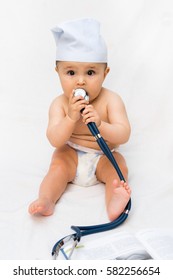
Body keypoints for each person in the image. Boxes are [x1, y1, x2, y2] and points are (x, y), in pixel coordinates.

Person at [28, 18, 131, 221]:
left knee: (118, 169)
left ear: (105, 73)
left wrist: (101, 125)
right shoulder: (59, 104)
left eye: (91, 72)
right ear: (58, 73)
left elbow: (124, 134)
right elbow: (55, 140)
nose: (81, 80)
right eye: (71, 72)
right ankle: (46, 199)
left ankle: (114, 202)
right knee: (58, 165)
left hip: (104, 155)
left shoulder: (111, 100)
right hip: (71, 154)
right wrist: (70, 118)